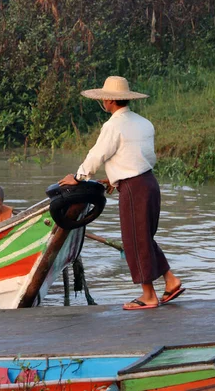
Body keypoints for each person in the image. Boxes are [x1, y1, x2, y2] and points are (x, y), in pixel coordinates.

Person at [58, 75, 184, 311]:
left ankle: (148, 295)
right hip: (149, 183)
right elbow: (135, 157)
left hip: (134, 189)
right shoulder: (144, 122)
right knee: (144, 237)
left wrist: (78, 177)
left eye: (104, 98)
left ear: (110, 101)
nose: (103, 102)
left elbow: (98, 155)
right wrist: (114, 178)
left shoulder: (113, 125)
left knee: (135, 240)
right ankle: (171, 280)